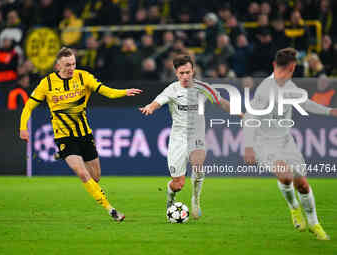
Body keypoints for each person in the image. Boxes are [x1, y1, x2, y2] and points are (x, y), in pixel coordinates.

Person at [19, 47, 142, 222]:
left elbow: (106, 91)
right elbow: (28, 106)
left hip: (84, 135)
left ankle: (63, 155)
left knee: (95, 177)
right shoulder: (47, 83)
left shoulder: (83, 76)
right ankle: (111, 210)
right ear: (58, 65)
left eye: (73, 64)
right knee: (83, 174)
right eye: (67, 64)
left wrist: (124, 92)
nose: (71, 67)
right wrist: (23, 127)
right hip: (63, 137)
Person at [243, 48, 337, 240]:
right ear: (274, 67)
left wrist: (329, 112)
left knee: (302, 183)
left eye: (287, 71)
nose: (284, 74)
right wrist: (249, 146)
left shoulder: (290, 87)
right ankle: (294, 208)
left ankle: (314, 224)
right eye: (282, 70)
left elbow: (305, 103)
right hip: (265, 143)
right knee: (285, 175)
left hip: (286, 141)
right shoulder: (265, 90)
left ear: (292, 69)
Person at [139, 55, 230, 219]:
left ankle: (196, 198)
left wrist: (241, 113)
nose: (185, 76)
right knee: (178, 184)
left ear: (193, 71)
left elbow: (221, 101)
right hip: (178, 138)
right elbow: (158, 101)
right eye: (181, 73)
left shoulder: (203, 88)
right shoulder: (172, 90)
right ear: (176, 73)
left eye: (188, 72)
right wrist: (150, 107)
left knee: (198, 164)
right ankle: (170, 198)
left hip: (197, 134)